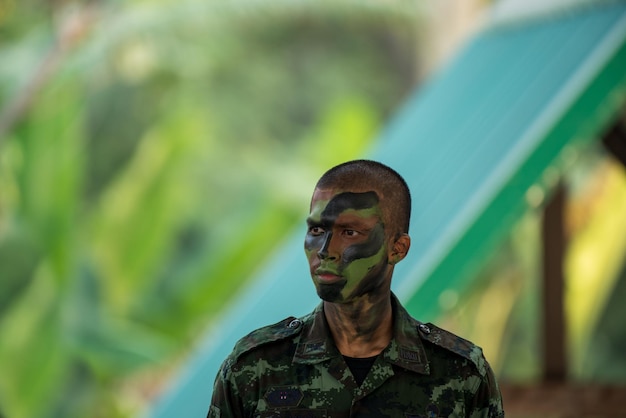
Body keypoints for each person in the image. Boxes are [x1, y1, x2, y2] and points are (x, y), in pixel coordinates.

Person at [208, 160, 504, 417]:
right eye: (316, 230)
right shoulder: (254, 368)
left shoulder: (461, 373)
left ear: (397, 248)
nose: (325, 250)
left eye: (349, 232)